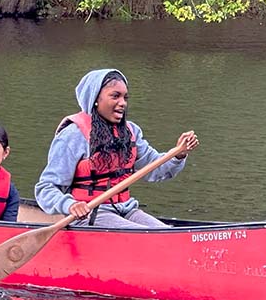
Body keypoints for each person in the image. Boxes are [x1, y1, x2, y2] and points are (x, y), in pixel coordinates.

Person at [34, 68, 199, 228]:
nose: (123, 103)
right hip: (90, 214)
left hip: (126, 209)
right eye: (115, 96)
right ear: (95, 99)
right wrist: (70, 205)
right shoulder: (72, 136)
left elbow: (155, 168)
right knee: (151, 238)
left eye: (125, 98)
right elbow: (46, 188)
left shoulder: (130, 132)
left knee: (166, 232)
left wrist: (179, 154)